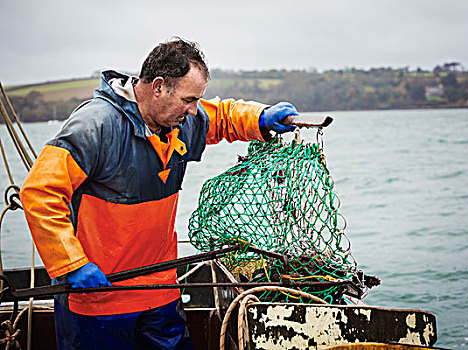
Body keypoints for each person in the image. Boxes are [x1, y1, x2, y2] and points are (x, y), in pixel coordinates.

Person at [19, 37, 298, 349]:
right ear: (159, 86)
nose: (195, 111)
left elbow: (222, 116)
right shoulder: (95, 125)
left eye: (197, 100)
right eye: (189, 100)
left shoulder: (181, 118)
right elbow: (39, 193)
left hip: (160, 292)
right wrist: (72, 264)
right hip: (98, 300)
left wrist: (260, 117)